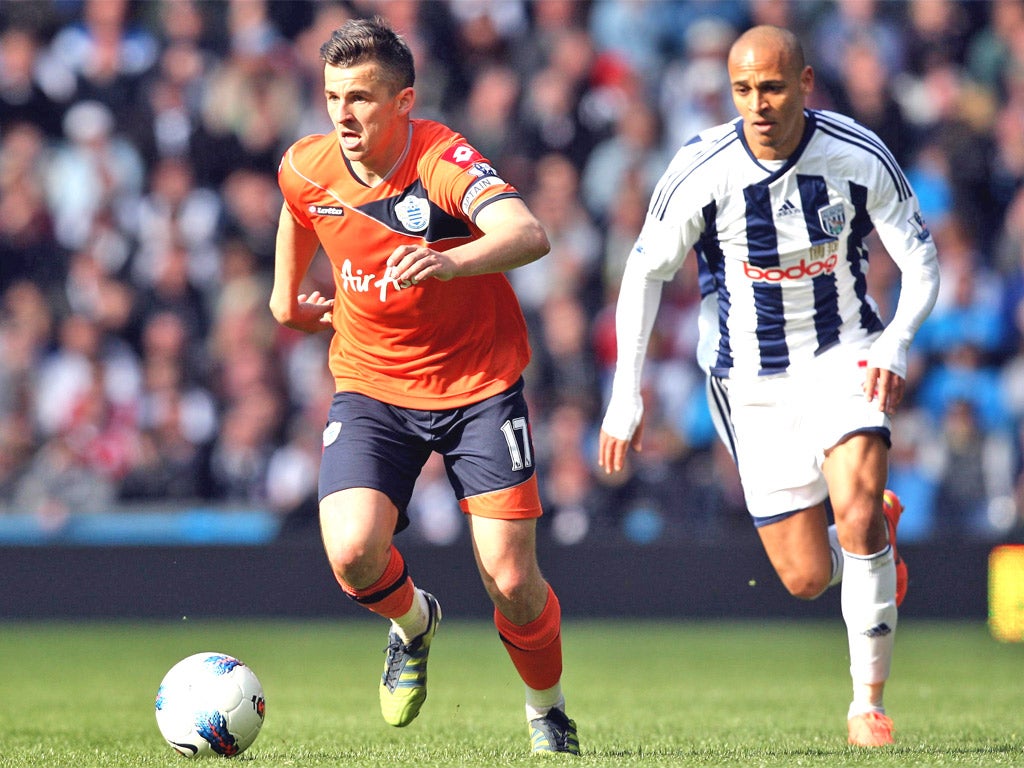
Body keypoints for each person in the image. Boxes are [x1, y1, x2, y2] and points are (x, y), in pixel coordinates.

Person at [599, 25, 939, 747]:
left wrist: (897, 345)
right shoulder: (703, 167)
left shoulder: (857, 153)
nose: (758, 104)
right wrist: (626, 395)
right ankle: (873, 527)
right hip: (747, 381)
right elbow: (643, 271)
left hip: (844, 353)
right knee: (806, 578)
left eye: (774, 87)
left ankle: (865, 704)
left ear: (806, 83)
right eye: (744, 90)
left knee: (855, 514)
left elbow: (922, 260)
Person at [269, 17, 578, 755]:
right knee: (351, 555)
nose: (344, 114)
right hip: (373, 387)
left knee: (510, 578)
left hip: (478, 385)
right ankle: (414, 623)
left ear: (404, 101)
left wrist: (450, 261)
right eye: (333, 96)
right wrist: (285, 299)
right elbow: (298, 205)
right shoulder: (308, 164)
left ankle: (547, 712)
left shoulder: (441, 158)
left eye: (363, 98)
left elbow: (528, 233)